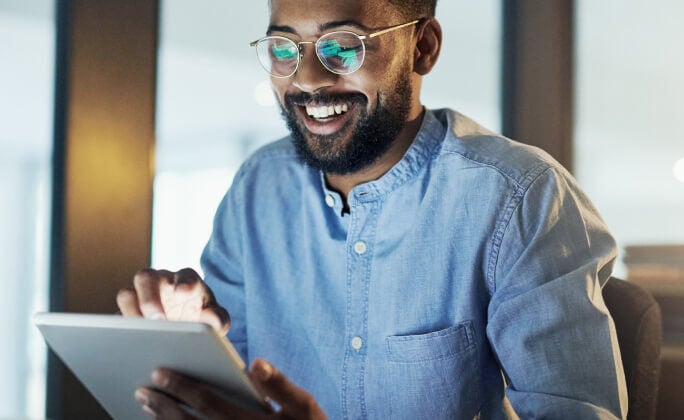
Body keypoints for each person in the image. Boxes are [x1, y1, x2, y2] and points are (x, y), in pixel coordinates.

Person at [117, 0, 628, 418]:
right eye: (284, 48)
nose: (309, 80)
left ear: (422, 48)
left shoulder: (519, 197)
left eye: (343, 46)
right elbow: (234, 390)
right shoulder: (257, 189)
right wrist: (188, 354)